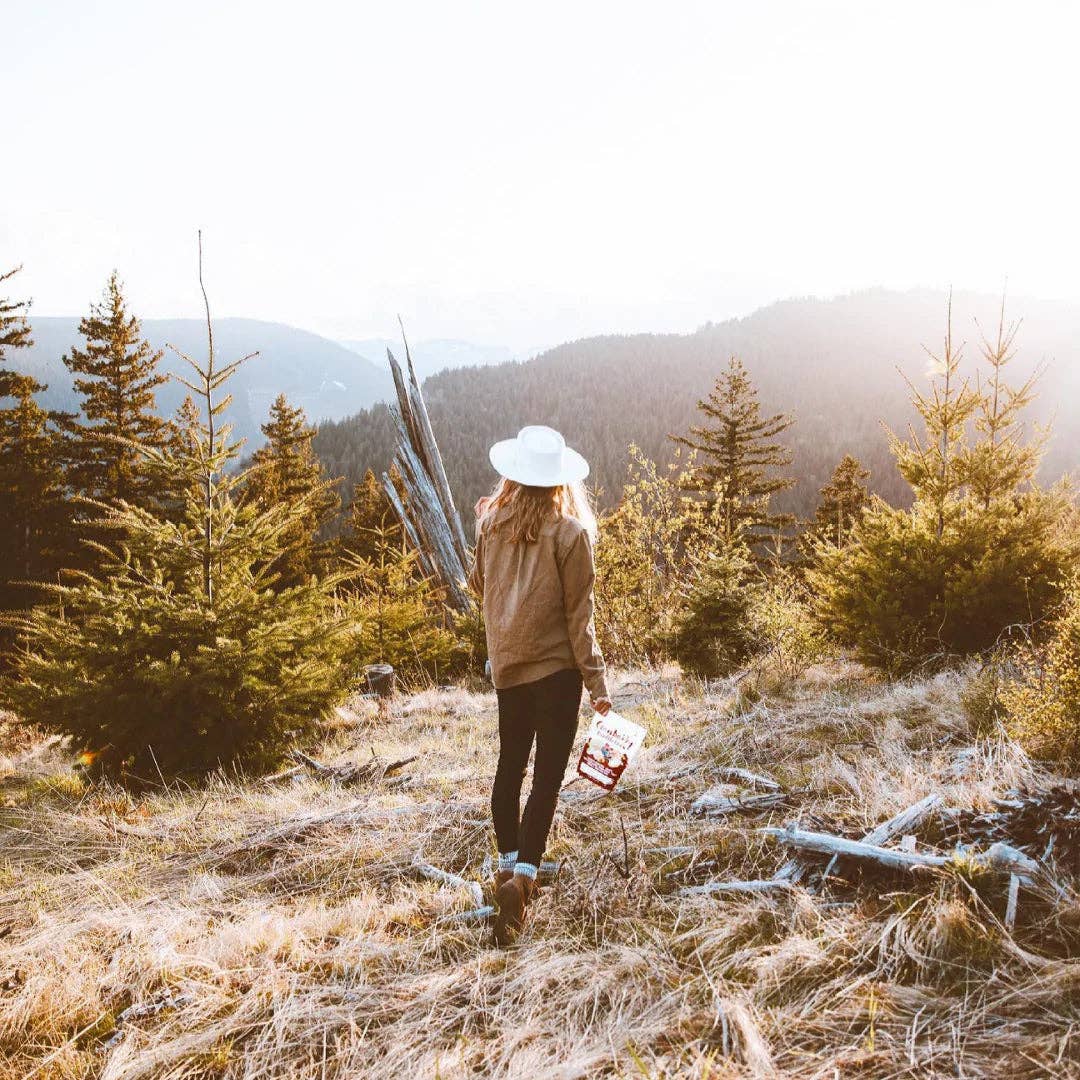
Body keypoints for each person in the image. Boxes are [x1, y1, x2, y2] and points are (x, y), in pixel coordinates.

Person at [468, 425, 611, 946]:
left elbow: (480, 588)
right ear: (559, 481)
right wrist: (596, 680)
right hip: (557, 672)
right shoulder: (571, 534)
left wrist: (485, 523)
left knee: (510, 767)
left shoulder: (490, 526)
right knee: (546, 777)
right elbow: (580, 619)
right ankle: (526, 877)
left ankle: (507, 868)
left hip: (508, 668)